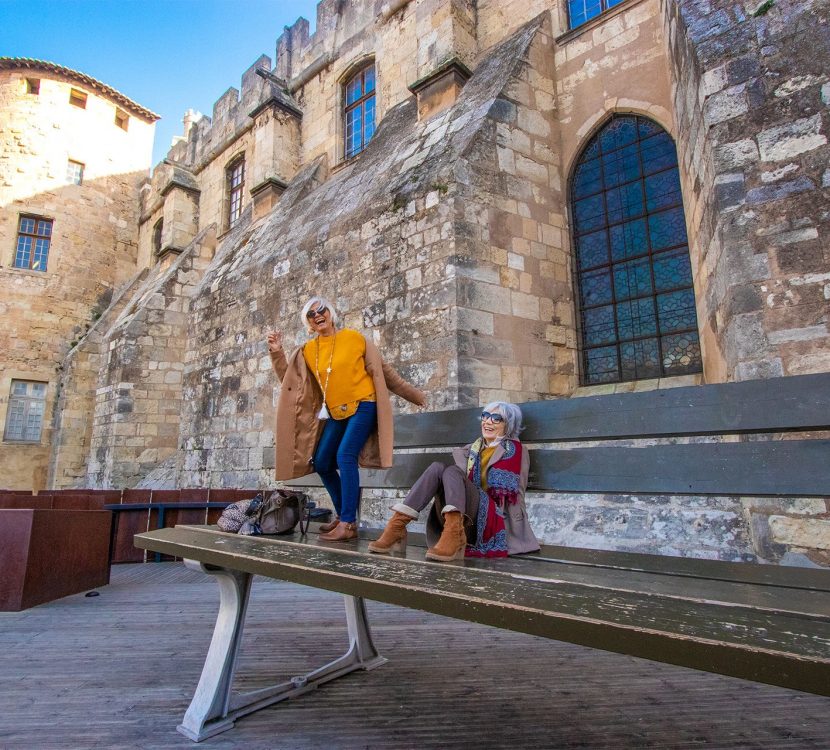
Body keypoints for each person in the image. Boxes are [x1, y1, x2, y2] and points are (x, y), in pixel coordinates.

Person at [267, 296, 426, 542]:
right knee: (322, 462)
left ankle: (349, 523)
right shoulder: (309, 350)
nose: (318, 315)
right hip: (336, 412)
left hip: (364, 404)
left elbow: (386, 373)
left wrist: (416, 396)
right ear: (308, 323)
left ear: (330, 313)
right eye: (311, 314)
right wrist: (277, 353)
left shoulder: (354, 338)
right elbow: (292, 384)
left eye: (322, 310)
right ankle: (344, 516)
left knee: (345, 455)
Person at [368, 401, 539, 561]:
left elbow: (517, 493)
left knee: (451, 471)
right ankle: (397, 526)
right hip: (465, 516)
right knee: (437, 467)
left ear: (508, 425)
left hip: (493, 523)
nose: (488, 421)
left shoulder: (515, 451)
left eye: (496, 418)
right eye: (485, 416)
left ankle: (453, 534)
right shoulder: (471, 450)